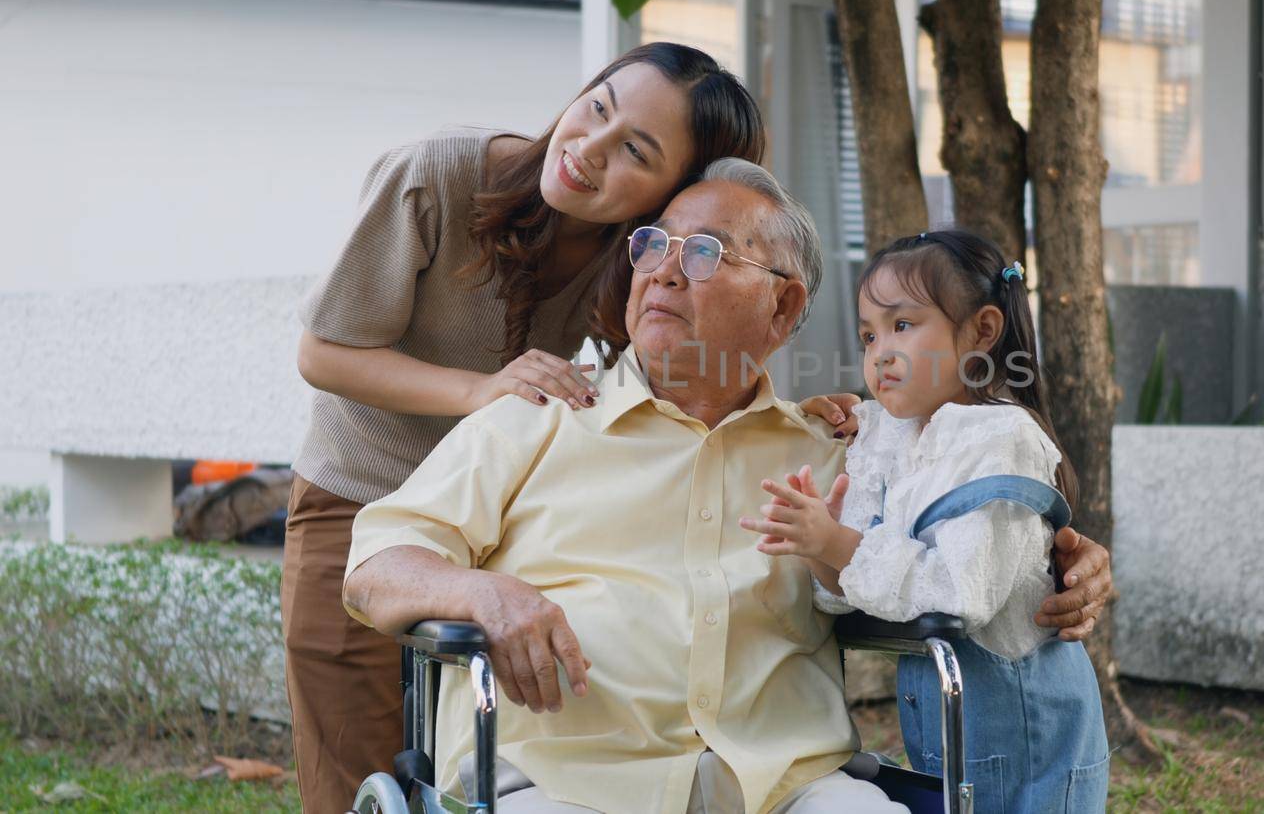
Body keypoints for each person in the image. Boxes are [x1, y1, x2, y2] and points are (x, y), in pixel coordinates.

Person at [341, 165, 1111, 813]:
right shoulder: (536, 420)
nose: (665, 269)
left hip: (786, 785)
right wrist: (486, 596)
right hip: (566, 783)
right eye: (654, 246)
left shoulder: (843, 454)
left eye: (706, 252)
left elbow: (971, 524)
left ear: (784, 304)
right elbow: (377, 566)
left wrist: (1069, 554)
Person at [284, 43, 775, 812]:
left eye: (634, 152)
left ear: (669, 197)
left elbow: (691, 360)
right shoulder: (439, 173)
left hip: (502, 528)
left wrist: (810, 413)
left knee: (456, 775)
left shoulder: (639, 254)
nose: (587, 149)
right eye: (599, 108)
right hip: (359, 497)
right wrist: (481, 390)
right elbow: (323, 351)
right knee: (352, 777)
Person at [741, 229, 1110, 812]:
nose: (879, 352)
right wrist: (818, 545)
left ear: (982, 333)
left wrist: (841, 543)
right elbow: (852, 590)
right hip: (951, 726)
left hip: (1028, 727)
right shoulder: (891, 434)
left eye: (902, 326)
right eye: (868, 335)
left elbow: (963, 594)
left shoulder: (1000, 437)